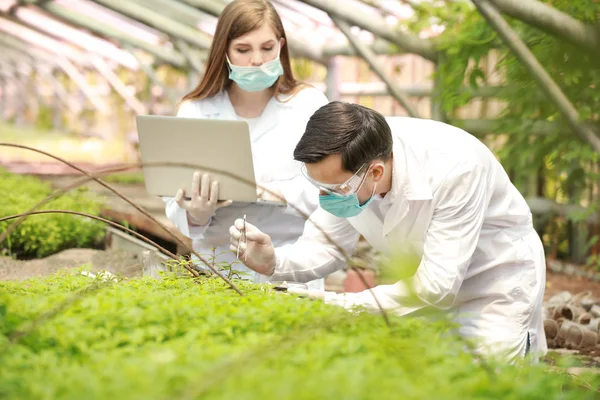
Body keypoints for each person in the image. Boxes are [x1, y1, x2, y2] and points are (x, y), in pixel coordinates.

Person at [229, 101, 547, 361]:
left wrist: (339, 305)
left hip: (494, 282)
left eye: (334, 188)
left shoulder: (456, 170)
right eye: (318, 186)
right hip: (422, 285)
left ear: (376, 172)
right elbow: (325, 245)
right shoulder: (353, 164)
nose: (325, 197)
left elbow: (436, 287)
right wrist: (273, 262)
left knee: (485, 377)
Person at [163, 0, 328, 289]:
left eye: (267, 48)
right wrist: (196, 213)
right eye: (243, 49)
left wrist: (273, 193)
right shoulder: (196, 110)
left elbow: (332, 187)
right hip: (218, 264)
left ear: (281, 46)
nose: (257, 60)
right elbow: (172, 197)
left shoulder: (309, 105)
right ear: (223, 51)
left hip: (291, 260)